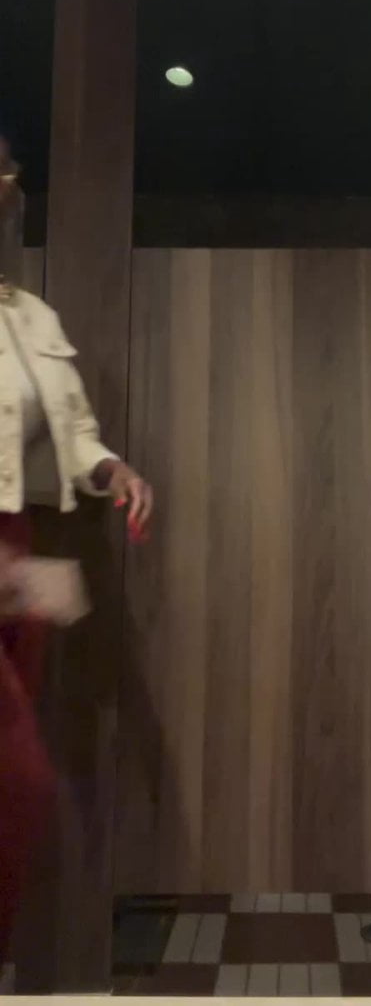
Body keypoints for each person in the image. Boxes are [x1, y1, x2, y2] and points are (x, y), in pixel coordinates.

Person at [0, 137, 153, 972]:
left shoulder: (34, 316)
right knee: (20, 779)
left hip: (21, 547)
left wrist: (113, 470)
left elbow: (77, 432)